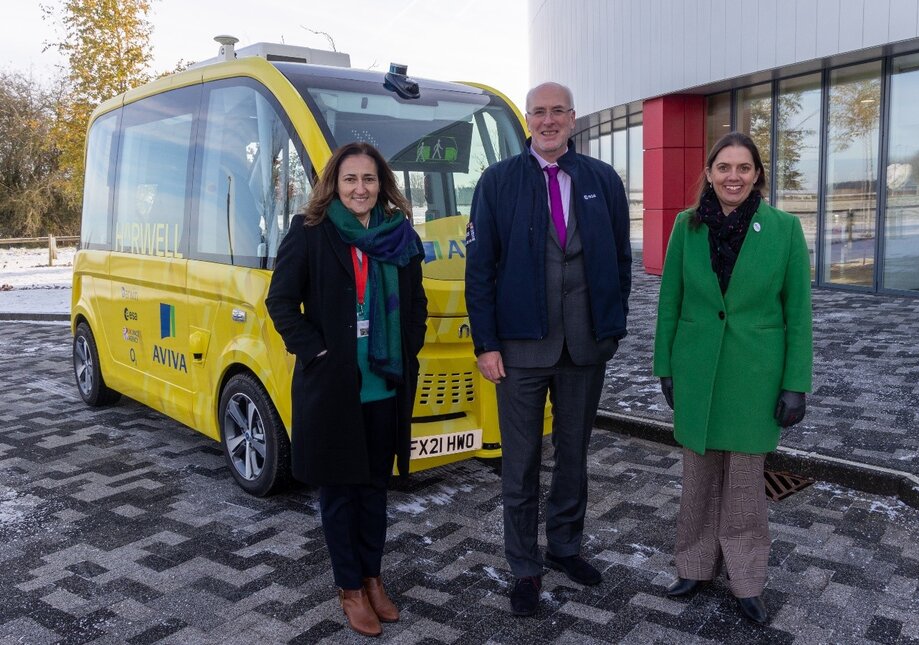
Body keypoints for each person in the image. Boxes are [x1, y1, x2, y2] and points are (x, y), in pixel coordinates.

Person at [464, 82, 632, 617]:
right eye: (539, 112)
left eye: (558, 111)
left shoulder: (602, 181)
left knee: (574, 458)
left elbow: (620, 264)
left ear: (574, 120)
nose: (549, 120)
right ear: (529, 121)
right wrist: (487, 344)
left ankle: (564, 549)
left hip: (585, 347)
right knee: (521, 464)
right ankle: (524, 568)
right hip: (519, 350)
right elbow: (480, 271)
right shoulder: (498, 182)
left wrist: (612, 326)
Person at [266, 142, 427, 638]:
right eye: (351, 179)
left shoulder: (399, 236)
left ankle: (374, 578)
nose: (361, 189)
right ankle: (350, 589)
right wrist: (316, 351)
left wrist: (406, 347)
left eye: (370, 180)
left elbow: (415, 304)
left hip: (384, 382)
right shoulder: (310, 233)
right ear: (335, 184)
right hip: (332, 387)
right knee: (338, 493)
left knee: (375, 489)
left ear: (383, 185)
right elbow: (280, 301)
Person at [653, 132, 812, 625]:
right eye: (724, 167)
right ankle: (696, 566)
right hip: (698, 371)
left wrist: (795, 382)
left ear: (758, 174)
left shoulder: (784, 229)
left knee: (745, 486)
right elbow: (670, 302)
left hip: (754, 376)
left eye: (743, 168)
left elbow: (799, 313)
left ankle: (746, 580)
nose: (733, 176)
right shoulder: (687, 226)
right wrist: (666, 367)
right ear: (709, 172)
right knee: (698, 479)